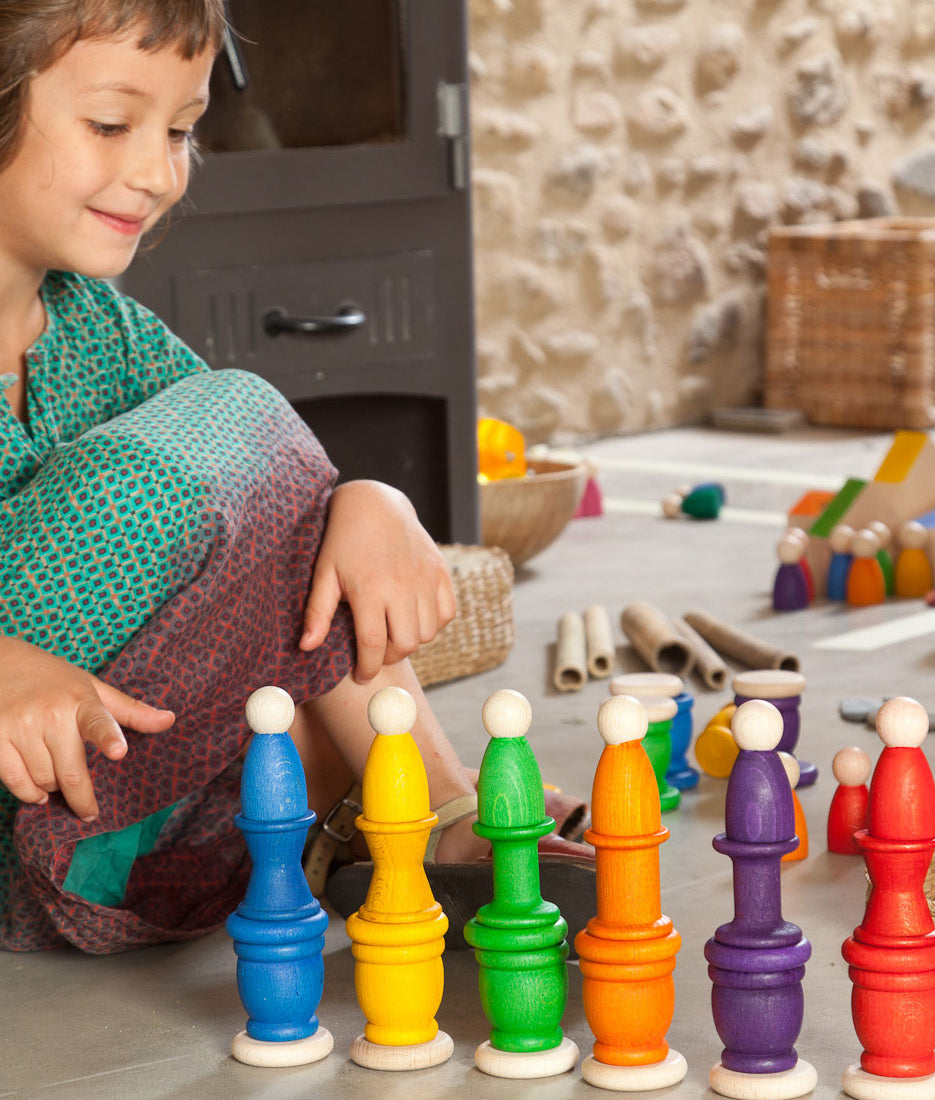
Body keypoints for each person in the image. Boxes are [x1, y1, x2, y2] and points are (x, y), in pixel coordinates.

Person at [0, 0, 592, 954]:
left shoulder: (100, 328)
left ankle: (405, 826)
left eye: (182, 131)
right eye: (111, 124)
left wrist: (368, 502)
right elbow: (249, 442)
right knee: (240, 414)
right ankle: (437, 818)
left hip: (114, 818)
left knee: (290, 544)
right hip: (31, 814)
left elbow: (276, 506)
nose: (157, 172)